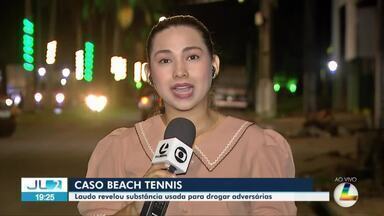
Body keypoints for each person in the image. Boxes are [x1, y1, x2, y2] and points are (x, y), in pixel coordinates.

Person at [78, 15, 296, 215]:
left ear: (214, 65)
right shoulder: (119, 149)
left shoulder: (258, 148)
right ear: (149, 74)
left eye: (192, 57)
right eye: (165, 60)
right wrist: (134, 209)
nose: (180, 71)